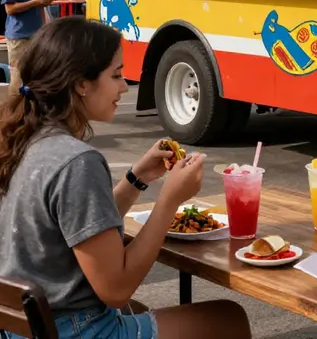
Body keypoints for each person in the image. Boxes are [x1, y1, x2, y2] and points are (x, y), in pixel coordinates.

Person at [0, 17, 252, 339]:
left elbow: (81, 231)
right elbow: (115, 289)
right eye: (116, 74)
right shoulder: (76, 162)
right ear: (80, 83)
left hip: (22, 329)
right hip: (76, 329)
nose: (124, 86)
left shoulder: (22, 142)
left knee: (145, 311)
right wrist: (170, 199)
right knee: (227, 318)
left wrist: (137, 178)